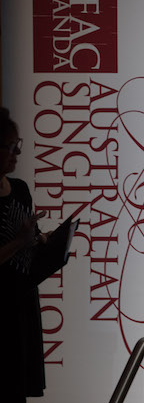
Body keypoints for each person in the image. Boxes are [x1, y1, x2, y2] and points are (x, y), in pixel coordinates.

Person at [0, 108, 67, 402]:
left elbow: (31, 238)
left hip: (21, 305)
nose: (16, 154)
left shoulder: (20, 189)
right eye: (11, 147)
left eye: (18, 145)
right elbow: (19, 241)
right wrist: (19, 241)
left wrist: (44, 240)